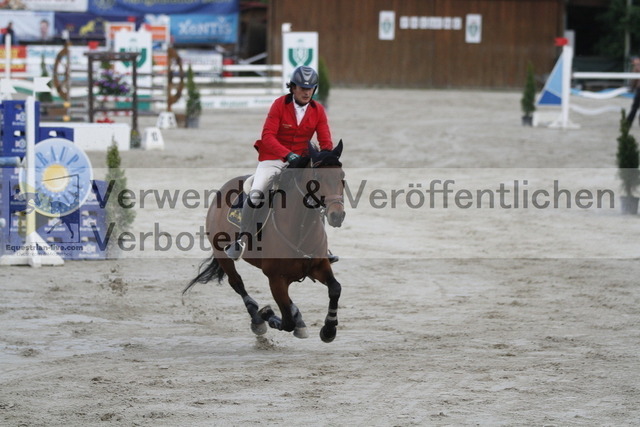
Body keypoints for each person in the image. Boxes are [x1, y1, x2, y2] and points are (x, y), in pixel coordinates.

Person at [225, 65, 338, 262]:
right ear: (293, 87)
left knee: (318, 195)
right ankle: (242, 239)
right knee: (257, 192)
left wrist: (326, 158)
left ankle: (322, 246)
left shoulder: (318, 110)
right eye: (302, 88)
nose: (306, 92)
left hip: (301, 161)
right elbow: (267, 136)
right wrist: (287, 154)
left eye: (310, 88)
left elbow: (325, 141)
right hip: (274, 158)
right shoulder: (279, 105)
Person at [626, 56, 640, 127]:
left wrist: (632, 87)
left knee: (635, 107)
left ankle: (628, 123)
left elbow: (634, 79)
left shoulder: (636, 67)